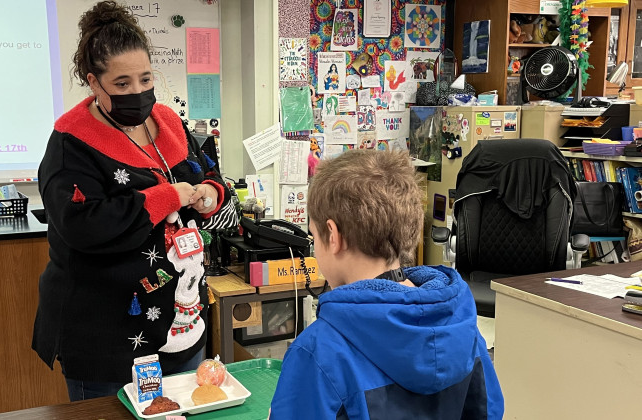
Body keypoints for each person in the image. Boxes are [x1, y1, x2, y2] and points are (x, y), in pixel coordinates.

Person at [31, 0, 230, 401]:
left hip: (181, 325)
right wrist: (164, 197)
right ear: (94, 82)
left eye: (145, 79)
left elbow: (207, 170)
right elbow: (82, 225)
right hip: (109, 340)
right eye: (122, 84)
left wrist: (211, 192)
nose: (137, 92)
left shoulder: (168, 121)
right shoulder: (72, 143)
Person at [269, 150, 503, 419]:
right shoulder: (463, 328)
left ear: (332, 235)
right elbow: (489, 410)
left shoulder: (318, 351)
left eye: (313, 236)